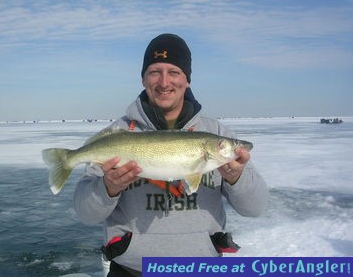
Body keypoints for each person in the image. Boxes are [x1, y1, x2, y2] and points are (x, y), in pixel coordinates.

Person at [74, 33, 268, 276]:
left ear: (187, 80)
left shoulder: (216, 134)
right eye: (155, 71)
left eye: (174, 72)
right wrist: (108, 187)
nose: (164, 82)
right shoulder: (117, 136)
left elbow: (256, 207)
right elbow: (85, 212)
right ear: (143, 78)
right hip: (132, 271)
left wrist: (236, 179)